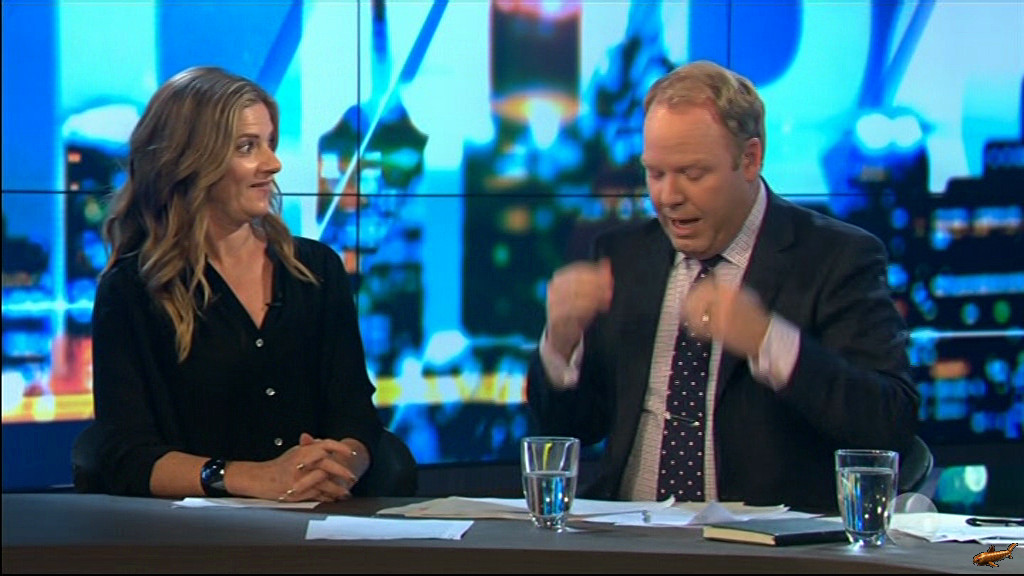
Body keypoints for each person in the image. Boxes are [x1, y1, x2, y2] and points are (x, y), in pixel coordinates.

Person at [526, 60, 919, 512]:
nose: (668, 197)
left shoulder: (836, 258)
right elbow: (570, 428)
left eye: (692, 174)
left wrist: (768, 340)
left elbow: (889, 424)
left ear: (750, 159)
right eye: (655, 173)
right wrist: (561, 343)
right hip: (630, 533)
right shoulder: (623, 257)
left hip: (764, 540)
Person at [74, 66, 383, 502]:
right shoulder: (134, 290)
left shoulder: (315, 270)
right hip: (199, 530)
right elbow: (126, 454)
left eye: (270, 143)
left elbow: (356, 415)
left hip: (326, 514)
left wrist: (341, 464)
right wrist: (252, 478)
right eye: (247, 147)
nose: (273, 164)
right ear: (191, 160)